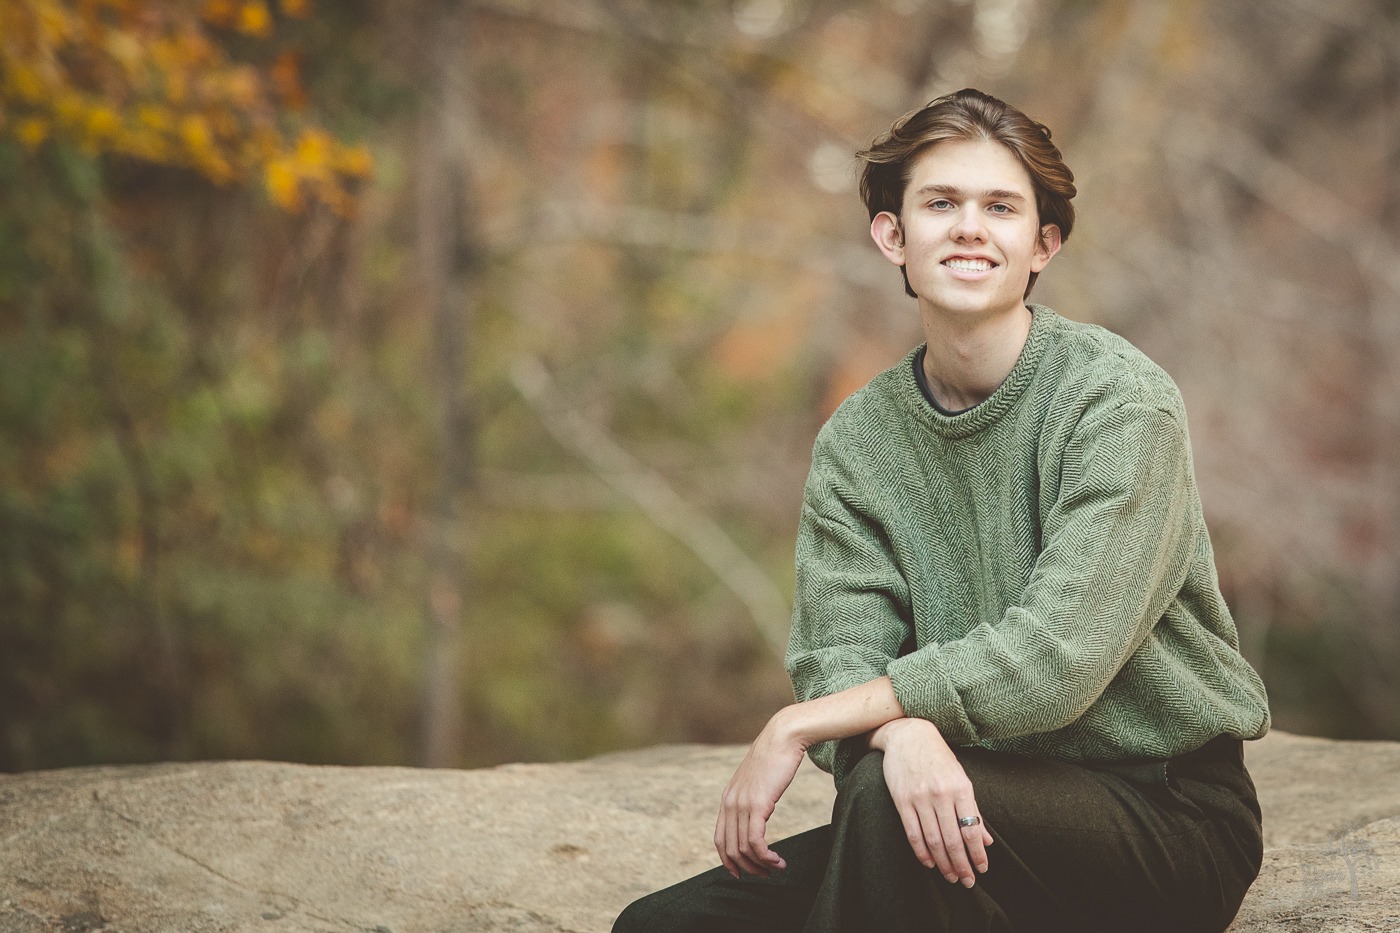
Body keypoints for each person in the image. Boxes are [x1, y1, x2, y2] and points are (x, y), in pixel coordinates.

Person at [613, 88, 1270, 933]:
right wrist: (905, 736)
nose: (969, 227)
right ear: (893, 235)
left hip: (1161, 818)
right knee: (666, 925)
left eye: (999, 207)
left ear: (1043, 245)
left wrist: (804, 724)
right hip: (959, 793)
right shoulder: (859, 441)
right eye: (940, 203)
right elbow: (837, 653)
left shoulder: (1118, 405)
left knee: (883, 809)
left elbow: (1055, 660)